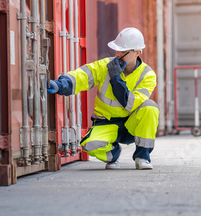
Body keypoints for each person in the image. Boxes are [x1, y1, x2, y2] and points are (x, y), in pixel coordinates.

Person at [47, 27, 159, 170]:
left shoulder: (147, 75)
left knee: (150, 107)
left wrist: (116, 78)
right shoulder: (105, 66)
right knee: (89, 144)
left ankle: (142, 157)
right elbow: (82, 76)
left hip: (132, 125)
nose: (117, 54)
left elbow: (129, 104)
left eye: (122, 52)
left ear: (137, 52)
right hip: (106, 123)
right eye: (116, 50)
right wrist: (60, 84)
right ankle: (114, 154)